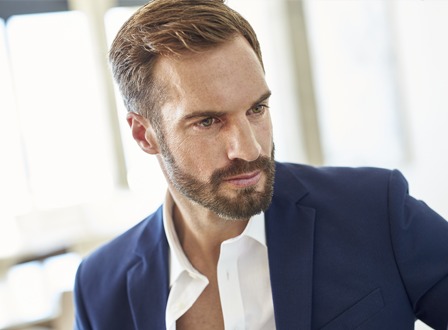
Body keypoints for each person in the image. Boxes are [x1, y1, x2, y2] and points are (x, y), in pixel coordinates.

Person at [73, 0, 448, 329]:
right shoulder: (99, 288)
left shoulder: (375, 211)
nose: (249, 149)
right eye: (208, 121)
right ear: (144, 134)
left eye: (257, 109)